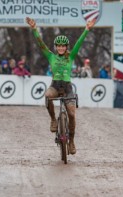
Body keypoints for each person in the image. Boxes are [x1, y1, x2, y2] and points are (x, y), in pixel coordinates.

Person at [26, 17, 96, 155]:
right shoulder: (51, 56)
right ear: (56, 47)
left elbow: (79, 43)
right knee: (47, 96)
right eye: (59, 45)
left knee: (71, 114)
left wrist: (86, 29)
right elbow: (41, 45)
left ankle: (72, 141)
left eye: (63, 46)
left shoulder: (71, 56)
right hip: (55, 86)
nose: (61, 48)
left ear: (66, 47)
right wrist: (34, 29)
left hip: (68, 87)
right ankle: (53, 119)